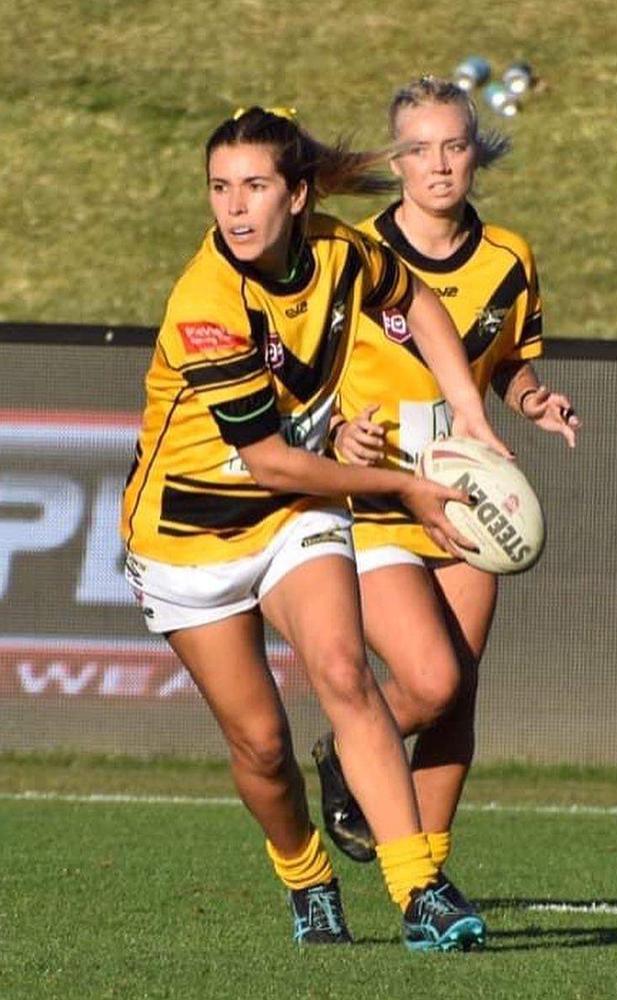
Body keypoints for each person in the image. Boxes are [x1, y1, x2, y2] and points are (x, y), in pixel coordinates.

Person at [121, 105, 509, 950]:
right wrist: (402, 486)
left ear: (298, 195)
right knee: (262, 745)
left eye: (255, 186)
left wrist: (472, 416)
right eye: (220, 188)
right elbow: (270, 462)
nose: (234, 207)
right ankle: (305, 874)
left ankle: (419, 894)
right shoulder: (207, 302)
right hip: (190, 535)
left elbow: (413, 299)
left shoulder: (340, 249)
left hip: (294, 516)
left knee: (343, 670)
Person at [311, 77, 581, 917]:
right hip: (383, 496)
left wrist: (534, 400)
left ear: (476, 153)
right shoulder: (350, 256)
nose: (438, 164)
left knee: (461, 690)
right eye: (418, 148)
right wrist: (336, 437)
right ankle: (343, 756)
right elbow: (304, 384)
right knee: (427, 682)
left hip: (466, 498)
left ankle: (424, 885)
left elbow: (506, 361)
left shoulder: (508, 257)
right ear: (394, 161)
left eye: (454, 145)